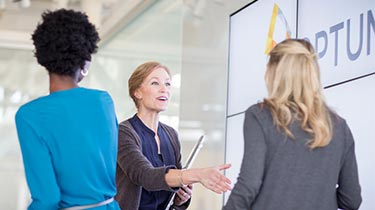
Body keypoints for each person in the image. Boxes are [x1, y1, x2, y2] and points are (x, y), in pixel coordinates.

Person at [223, 39, 362, 210]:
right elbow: (352, 200)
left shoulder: (261, 115)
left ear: (274, 72)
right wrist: (316, 193)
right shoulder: (339, 127)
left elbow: (249, 185)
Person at [15, 9, 120, 210]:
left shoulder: (30, 116)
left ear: (42, 56)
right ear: (85, 58)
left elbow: (47, 199)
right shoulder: (103, 101)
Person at [116, 61, 232, 210]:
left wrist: (179, 199)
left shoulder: (171, 135)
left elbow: (173, 189)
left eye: (168, 84)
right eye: (155, 83)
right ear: (137, 92)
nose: (164, 89)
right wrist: (198, 174)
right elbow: (145, 175)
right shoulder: (124, 132)